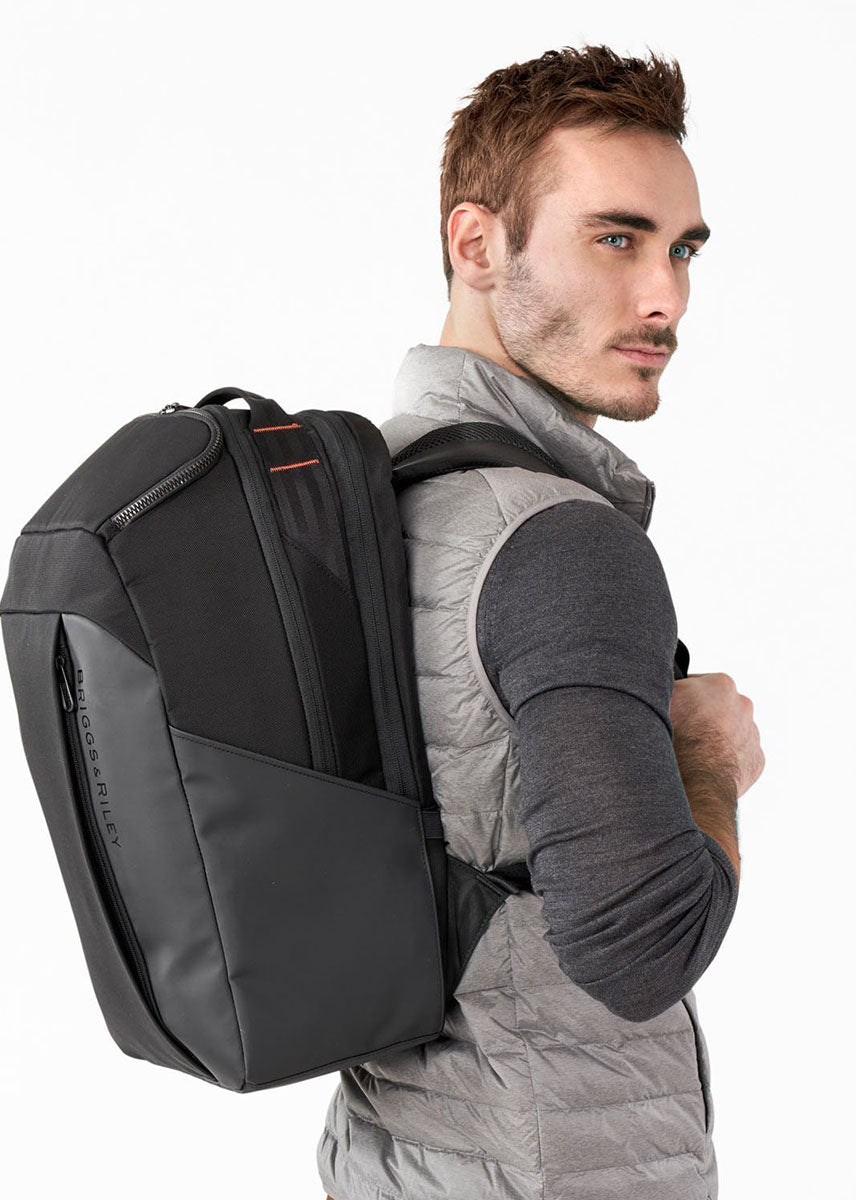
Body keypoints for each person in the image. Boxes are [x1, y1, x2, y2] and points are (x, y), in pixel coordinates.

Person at [317, 42, 764, 1200]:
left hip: (387, 1155)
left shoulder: (368, 497)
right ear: (476, 244)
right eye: (615, 239)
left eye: (682, 250)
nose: (664, 297)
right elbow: (638, 947)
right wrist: (709, 762)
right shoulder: (561, 542)